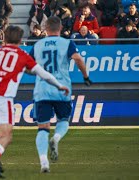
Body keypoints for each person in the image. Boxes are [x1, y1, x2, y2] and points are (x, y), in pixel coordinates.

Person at [0, 26, 69, 178]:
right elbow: (44, 74)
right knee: (7, 136)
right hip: (2, 98)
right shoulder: (21, 55)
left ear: (4, 38)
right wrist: (59, 85)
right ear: (20, 40)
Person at [29, 16, 92, 173]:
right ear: (60, 27)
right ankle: (56, 138)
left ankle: (44, 162)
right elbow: (78, 59)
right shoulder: (67, 43)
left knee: (42, 127)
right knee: (63, 120)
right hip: (62, 89)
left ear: (46, 28)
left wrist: (37, 73)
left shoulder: (38, 44)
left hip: (42, 90)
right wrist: (85, 76)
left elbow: (27, 66)